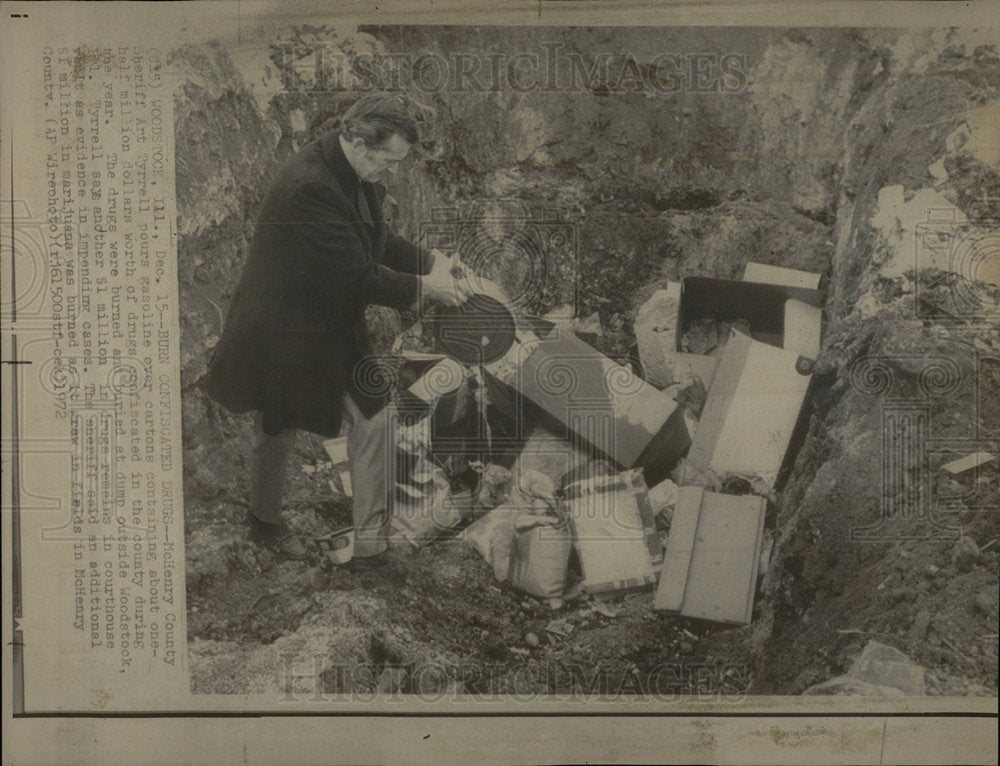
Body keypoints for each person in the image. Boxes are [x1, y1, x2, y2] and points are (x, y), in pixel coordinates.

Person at [205, 93, 470, 561]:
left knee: (376, 417)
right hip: (282, 326)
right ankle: (263, 524)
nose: (389, 172)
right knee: (276, 424)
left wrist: (435, 261)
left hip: (328, 318)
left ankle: (371, 546)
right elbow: (359, 274)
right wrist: (428, 287)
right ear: (360, 141)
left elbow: (377, 238)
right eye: (387, 161)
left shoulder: (351, 168)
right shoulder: (310, 185)